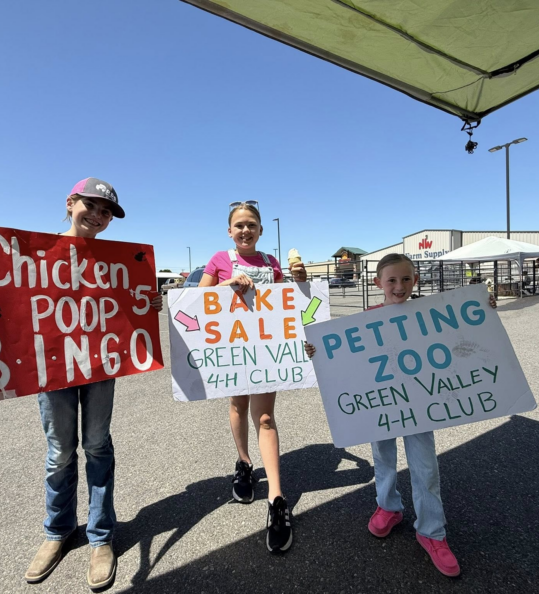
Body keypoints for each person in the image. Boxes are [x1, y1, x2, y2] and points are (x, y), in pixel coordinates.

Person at [0, 178, 163, 589]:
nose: (97, 215)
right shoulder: (32, 254)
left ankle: (100, 536)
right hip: (51, 367)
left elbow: (130, 305)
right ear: (70, 202)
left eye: (106, 212)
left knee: (96, 446)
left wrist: (149, 302)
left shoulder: (116, 259)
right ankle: (57, 532)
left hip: (100, 366)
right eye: (90, 205)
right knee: (59, 452)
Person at [304, 253, 496, 577]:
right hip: (382, 405)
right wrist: (317, 351)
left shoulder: (431, 314)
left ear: (415, 281)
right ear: (377, 283)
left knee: (425, 466)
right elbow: (348, 358)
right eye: (391, 280)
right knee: (383, 457)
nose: (399, 286)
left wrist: (484, 311)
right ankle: (388, 507)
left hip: (420, 404)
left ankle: (432, 531)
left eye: (406, 279)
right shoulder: (367, 317)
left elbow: (460, 337)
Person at [198, 200, 307, 553]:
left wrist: (299, 282)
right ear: (230, 231)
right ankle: (244, 463)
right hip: (231, 348)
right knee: (236, 405)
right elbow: (197, 301)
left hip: (263, 350)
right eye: (239, 225)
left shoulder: (272, 263)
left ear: (261, 231)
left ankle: (276, 498)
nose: (246, 230)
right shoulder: (218, 260)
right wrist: (226, 283)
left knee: (264, 417)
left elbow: (284, 303)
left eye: (252, 225)